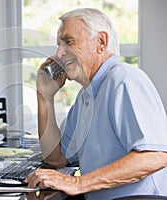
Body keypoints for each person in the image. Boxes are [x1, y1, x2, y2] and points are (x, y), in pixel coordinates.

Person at [25, 8, 167, 200]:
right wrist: (44, 97)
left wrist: (77, 183)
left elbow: (156, 155)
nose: (59, 53)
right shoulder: (86, 95)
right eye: (59, 44)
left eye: (69, 42)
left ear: (101, 42)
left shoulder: (124, 80)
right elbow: (56, 158)